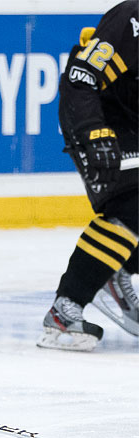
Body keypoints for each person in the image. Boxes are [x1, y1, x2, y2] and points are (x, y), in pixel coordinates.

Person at [38, 0, 139, 352]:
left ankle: (116, 263)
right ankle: (65, 312)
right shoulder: (131, 18)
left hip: (131, 123)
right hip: (95, 116)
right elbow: (81, 78)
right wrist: (93, 130)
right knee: (132, 207)